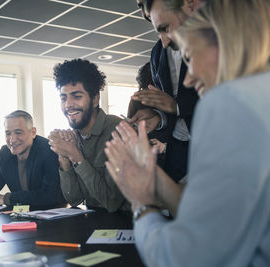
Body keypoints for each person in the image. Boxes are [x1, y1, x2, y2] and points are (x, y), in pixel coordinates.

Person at [105, 0, 270, 266]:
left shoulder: (228, 102)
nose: (189, 80)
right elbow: (212, 213)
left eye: (190, 56)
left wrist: (142, 203)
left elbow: (181, 257)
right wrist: (150, 176)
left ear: (224, 41)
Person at [131, 0, 201, 182]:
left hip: (209, 141)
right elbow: (167, 105)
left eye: (165, 28)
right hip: (177, 148)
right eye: (139, 4)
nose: (143, 8)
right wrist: (158, 118)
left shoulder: (210, 41)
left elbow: (217, 95)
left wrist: (177, 107)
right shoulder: (156, 53)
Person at [48, 59, 128, 213]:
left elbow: (111, 202)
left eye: (77, 96)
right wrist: (64, 157)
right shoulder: (75, 136)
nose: (68, 105)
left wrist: (75, 155)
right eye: (63, 98)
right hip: (94, 225)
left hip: (127, 226)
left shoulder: (118, 131)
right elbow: (74, 199)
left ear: (95, 99)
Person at [0, 110, 65, 209]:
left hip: (53, 216)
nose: (12, 139)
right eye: (8, 133)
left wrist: (5, 198)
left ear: (33, 132)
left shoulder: (49, 151)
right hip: (22, 215)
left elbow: (51, 196)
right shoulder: (5, 153)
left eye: (18, 132)